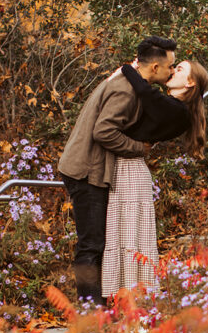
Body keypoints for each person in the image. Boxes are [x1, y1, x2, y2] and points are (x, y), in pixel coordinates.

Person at [57, 36, 177, 304]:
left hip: (90, 167)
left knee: (94, 242)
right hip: (87, 170)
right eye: (170, 66)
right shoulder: (126, 89)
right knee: (91, 244)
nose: (172, 72)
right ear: (155, 67)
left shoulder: (127, 79)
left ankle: (97, 307)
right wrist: (138, 149)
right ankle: (90, 311)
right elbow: (104, 131)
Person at [101, 59, 208, 299]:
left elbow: (145, 92)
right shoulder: (173, 107)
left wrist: (128, 68)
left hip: (129, 170)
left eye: (179, 69)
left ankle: (131, 301)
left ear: (190, 83)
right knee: (125, 236)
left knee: (129, 238)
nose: (172, 70)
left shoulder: (176, 109)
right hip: (129, 168)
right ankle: (125, 300)